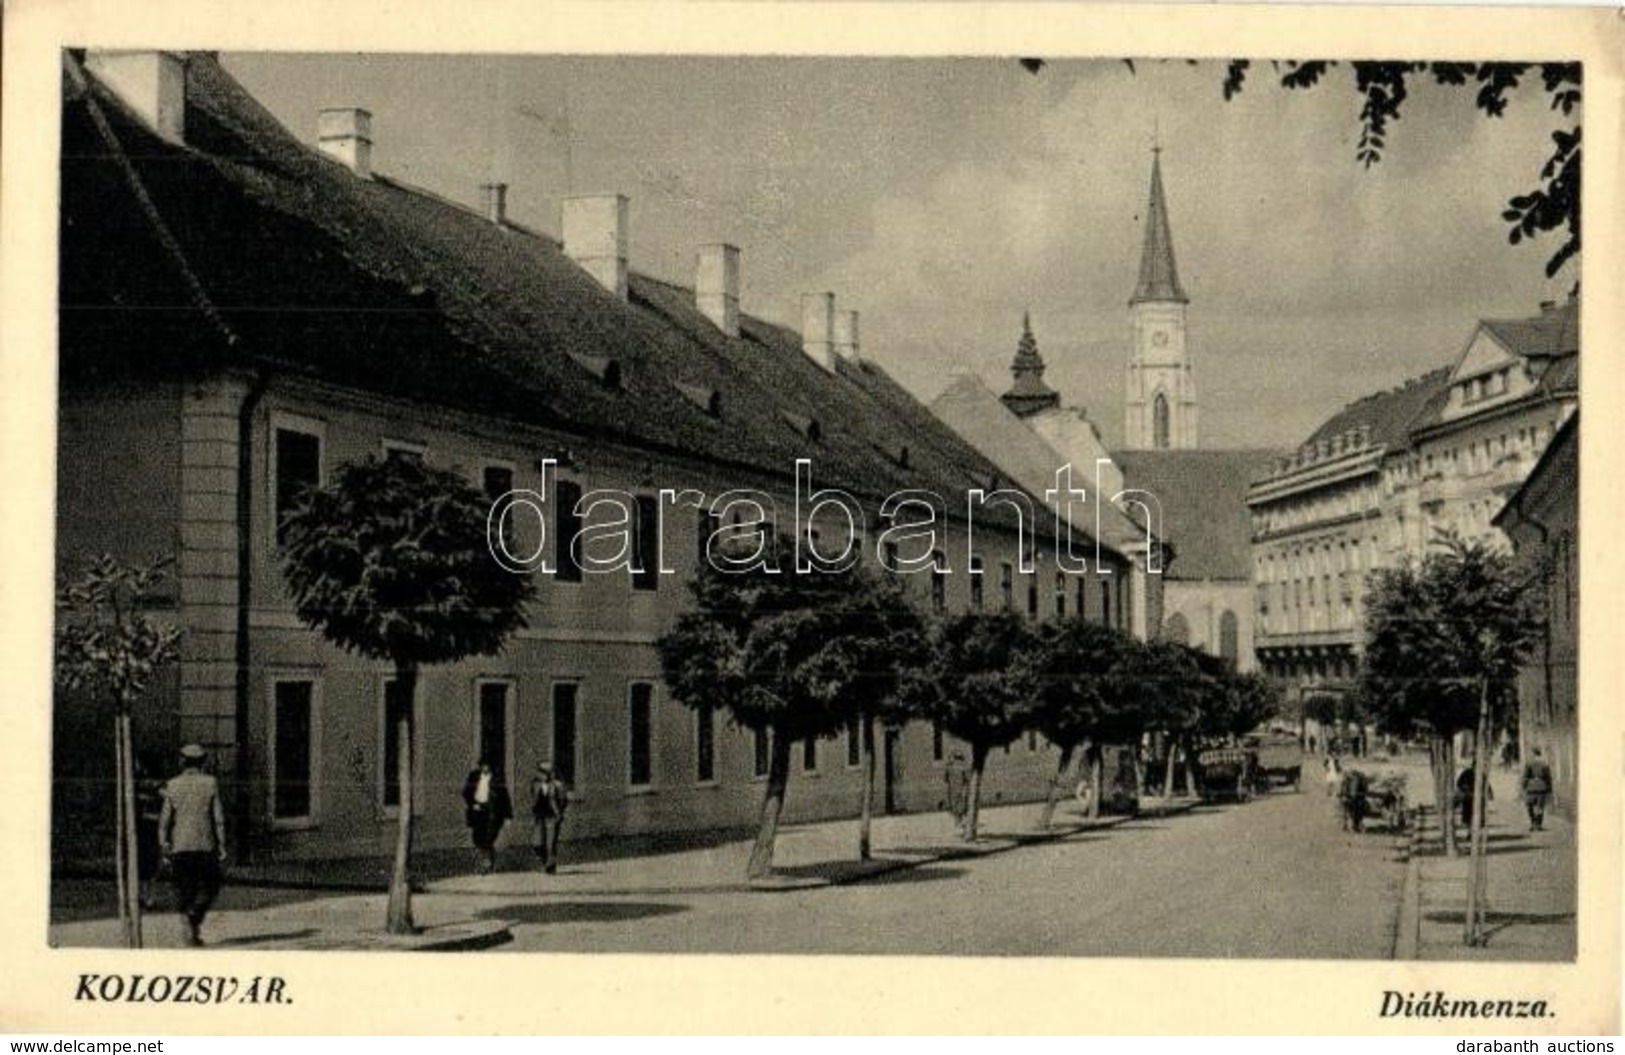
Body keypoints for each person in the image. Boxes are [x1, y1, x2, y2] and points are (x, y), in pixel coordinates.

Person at [158, 743, 227, 947]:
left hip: (180, 845)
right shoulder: (210, 783)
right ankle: (195, 919)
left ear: (182, 762)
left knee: (185, 888)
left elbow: (164, 821)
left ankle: (191, 923)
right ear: (203, 762)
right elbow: (218, 817)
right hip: (205, 844)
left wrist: (164, 845)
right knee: (211, 885)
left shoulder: (172, 785)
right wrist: (222, 844)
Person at [461, 760, 512, 874]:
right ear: (480, 766)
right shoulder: (474, 777)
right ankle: (484, 863)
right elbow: (466, 792)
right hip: (477, 811)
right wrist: (473, 804)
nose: (485, 768)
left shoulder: (497, 780)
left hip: (492, 813)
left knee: (489, 838)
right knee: (478, 839)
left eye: (487, 766)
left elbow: (505, 798)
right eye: (483, 766)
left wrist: (508, 815)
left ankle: (487, 864)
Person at [134, 752, 165, 910]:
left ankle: (144, 895)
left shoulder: (142, 784)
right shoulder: (156, 785)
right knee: (150, 863)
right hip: (150, 825)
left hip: (146, 826)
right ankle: (148, 896)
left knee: (145, 862)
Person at [528, 762, 569, 874]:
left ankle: (550, 866)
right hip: (539, 816)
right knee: (537, 843)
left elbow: (563, 800)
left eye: (543, 773)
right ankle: (544, 861)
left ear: (548, 774)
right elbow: (533, 797)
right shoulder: (535, 784)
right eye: (539, 772)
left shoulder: (557, 785)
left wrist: (559, 812)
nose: (540, 775)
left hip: (552, 816)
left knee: (550, 843)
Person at [1456, 759, 1493, 838]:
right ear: (1473, 765)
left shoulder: (1482, 775)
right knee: (1468, 817)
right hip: (1468, 799)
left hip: (1479, 799)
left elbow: (1487, 785)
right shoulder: (1466, 773)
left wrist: (1489, 794)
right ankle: (1470, 832)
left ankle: (1475, 833)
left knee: (1478, 817)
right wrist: (1464, 792)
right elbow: (1459, 784)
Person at [1520, 747, 1554, 832]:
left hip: (1531, 788)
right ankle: (1538, 824)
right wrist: (1550, 789)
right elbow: (1548, 778)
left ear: (1533, 753)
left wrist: (1523, 787)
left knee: (1530, 806)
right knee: (1540, 807)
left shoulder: (1529, 763)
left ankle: (1533, 823)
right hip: (1542, 787)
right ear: (1539, 753)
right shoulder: (1545, 764)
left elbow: (1525, 776)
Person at [943, 750, 971, 838]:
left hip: (952, 789)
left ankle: (957, 821)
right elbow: (967, 779)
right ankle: (962, 822)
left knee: (954, 805)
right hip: (962, 789)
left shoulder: (950, 767)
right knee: (962, 806)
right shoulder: (964, 767)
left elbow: (945, 779)